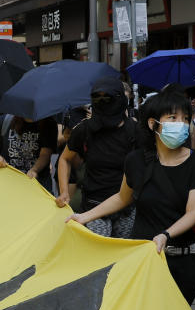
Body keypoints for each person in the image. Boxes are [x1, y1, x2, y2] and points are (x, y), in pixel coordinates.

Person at [67, 91, 195, 304]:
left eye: (186, 119)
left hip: (183, 261)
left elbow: (194, 211)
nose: (181, 124)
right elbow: (121, 198)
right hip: (143, 258)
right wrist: (84, 217)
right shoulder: (135, 161)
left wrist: (165, 235)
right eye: (173, 118)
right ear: (153, 124)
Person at [56, 78, 139, 238]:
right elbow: (64, 159)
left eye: (107, 98)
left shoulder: (135, 131)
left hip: (126, 209)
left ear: (120, 99)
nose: (102, 102)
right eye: (97, 98)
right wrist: (64, 192)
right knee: (99, 257)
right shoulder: (84, 130)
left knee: (123, 258)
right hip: (93, 207)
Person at [0, 115, 58, 188]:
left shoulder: (49, 123)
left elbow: (45, 154)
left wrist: (35, 170)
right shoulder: (6, 120)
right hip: (7, 180)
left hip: (37, 183)